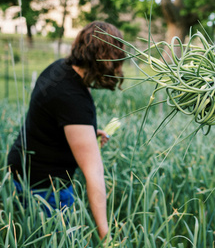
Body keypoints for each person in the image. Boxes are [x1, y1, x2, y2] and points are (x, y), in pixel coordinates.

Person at [7, 21, 126, 240]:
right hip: (44, 187)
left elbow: (53, 120)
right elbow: (94, 173)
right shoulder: (73, 99)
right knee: (65, 241)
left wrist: (86, 134)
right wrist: (105, 235)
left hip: (23, 171)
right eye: (116, 59)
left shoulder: (60, 68)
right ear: (102, 59)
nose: (118, 67)